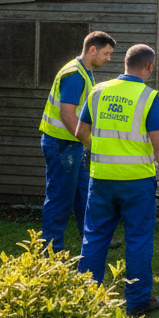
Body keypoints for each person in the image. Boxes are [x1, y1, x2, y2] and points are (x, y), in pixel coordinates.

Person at [75, 44, 159, 316]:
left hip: (101, 179)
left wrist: (100, 149)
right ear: (149, 67)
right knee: (138, 241)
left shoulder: (98, 91)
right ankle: (136, 303)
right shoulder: (149, 97)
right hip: (136, 183)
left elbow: (80, 131)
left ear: (125, 63)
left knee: (94, 238)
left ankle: (85, 300)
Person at [37, 30, 115, 252]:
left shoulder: (85, 71)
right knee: (60, 200)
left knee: (85, 196)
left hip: (72, 146)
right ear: (93, 50)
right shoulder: (74, 75)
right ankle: (51, 252)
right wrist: (91, 143)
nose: (109, 59)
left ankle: (92, 242)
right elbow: (67, 115)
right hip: (63, 146)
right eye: (106, 54)